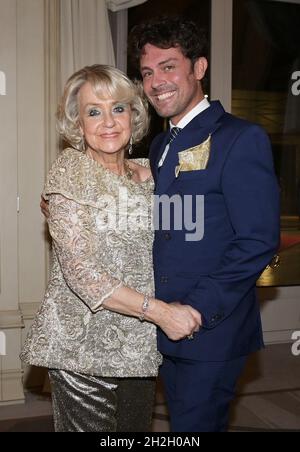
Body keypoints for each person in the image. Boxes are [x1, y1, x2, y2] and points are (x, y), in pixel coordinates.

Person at [21, 64, 201, 432]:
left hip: (139, 345)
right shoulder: (70, 172)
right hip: (83, 347)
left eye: (118, 108)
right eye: (93, 111)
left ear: (133, 115)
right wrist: (163, 314)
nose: (108, 121)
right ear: (78, 122)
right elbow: (83, 273)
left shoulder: (151, 172)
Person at [127, 17, 281, 432]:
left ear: (199, 68)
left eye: (169, 66)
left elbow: (257, 241)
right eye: (147, 72)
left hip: (210, 326)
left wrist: (195, 309)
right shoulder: (160, 144)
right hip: (162, 322)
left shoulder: (240, 138)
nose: (156, 81)